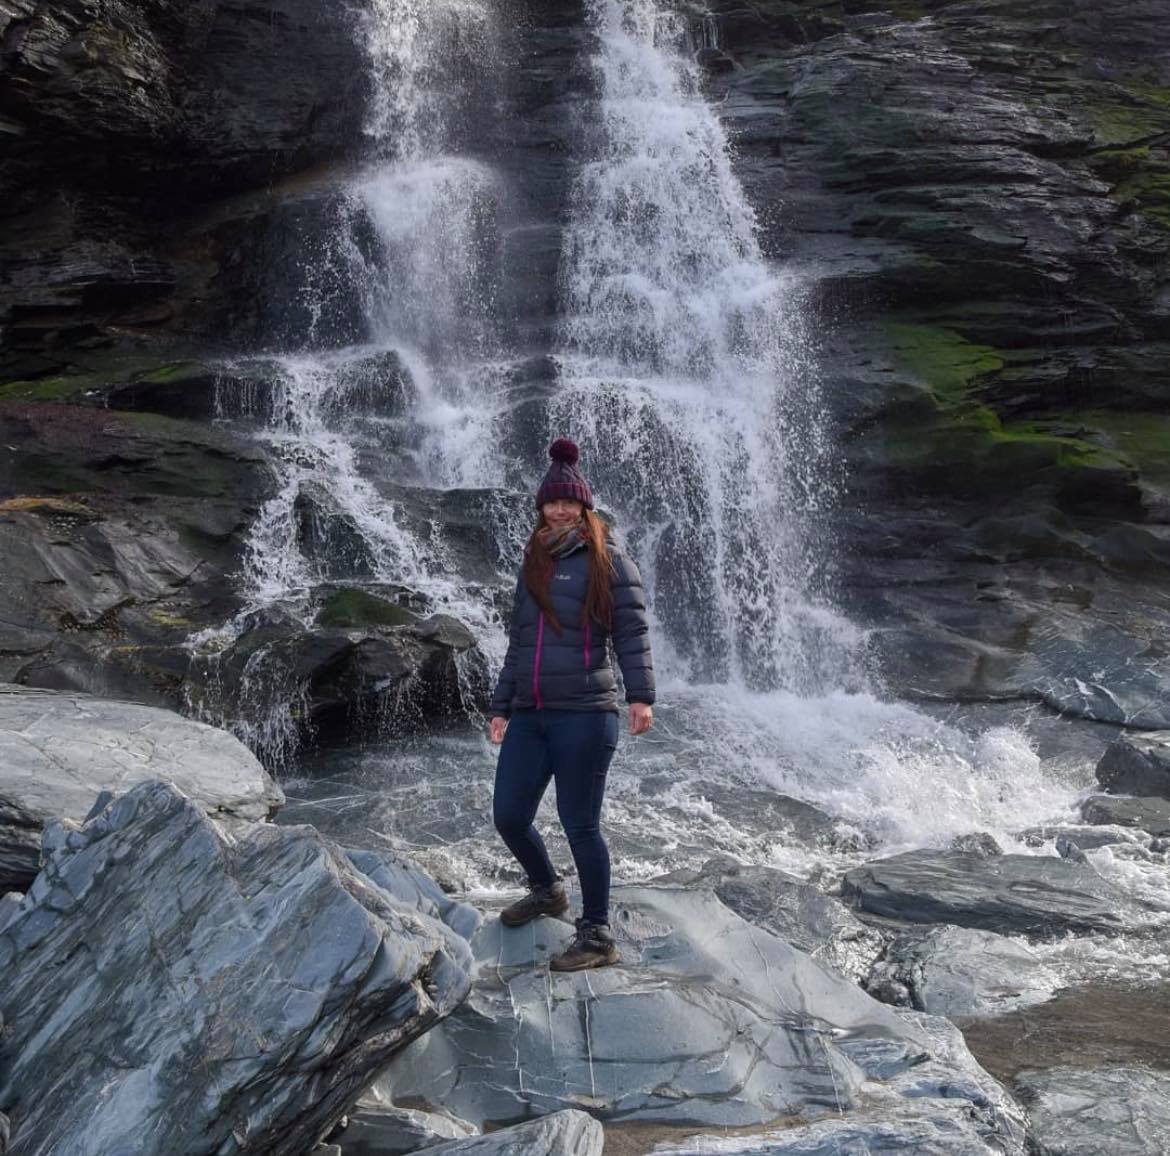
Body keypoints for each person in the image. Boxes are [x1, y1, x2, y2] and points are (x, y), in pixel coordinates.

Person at [488, 437, 655, 971]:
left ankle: (597, 934)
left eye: (569, 502)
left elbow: (630, 631)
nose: (559, 509)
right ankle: (546, 889)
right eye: (551, 501)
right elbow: (519, 642)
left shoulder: (608, 559)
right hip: (532, 712)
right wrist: (501, 706)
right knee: (509, 816)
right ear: (541, 506)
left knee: (580, 824)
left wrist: (641, 695)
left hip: (586, 711)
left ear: (583, 505)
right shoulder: (532, 559)